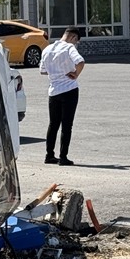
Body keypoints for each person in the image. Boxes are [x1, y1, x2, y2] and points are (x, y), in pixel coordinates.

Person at [40, 27, 85, 166]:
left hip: (53, 91)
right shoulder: (69, 48)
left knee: (53, 124)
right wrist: (75, 73)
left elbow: (42, 71)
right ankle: (63, 157)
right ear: (72, 37)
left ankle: (49, 155)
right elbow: (80, 62)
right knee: (67, 124)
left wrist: (55, 73)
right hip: (69, 89)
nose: (75, 44)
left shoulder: (47, 49)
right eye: (76, 41)